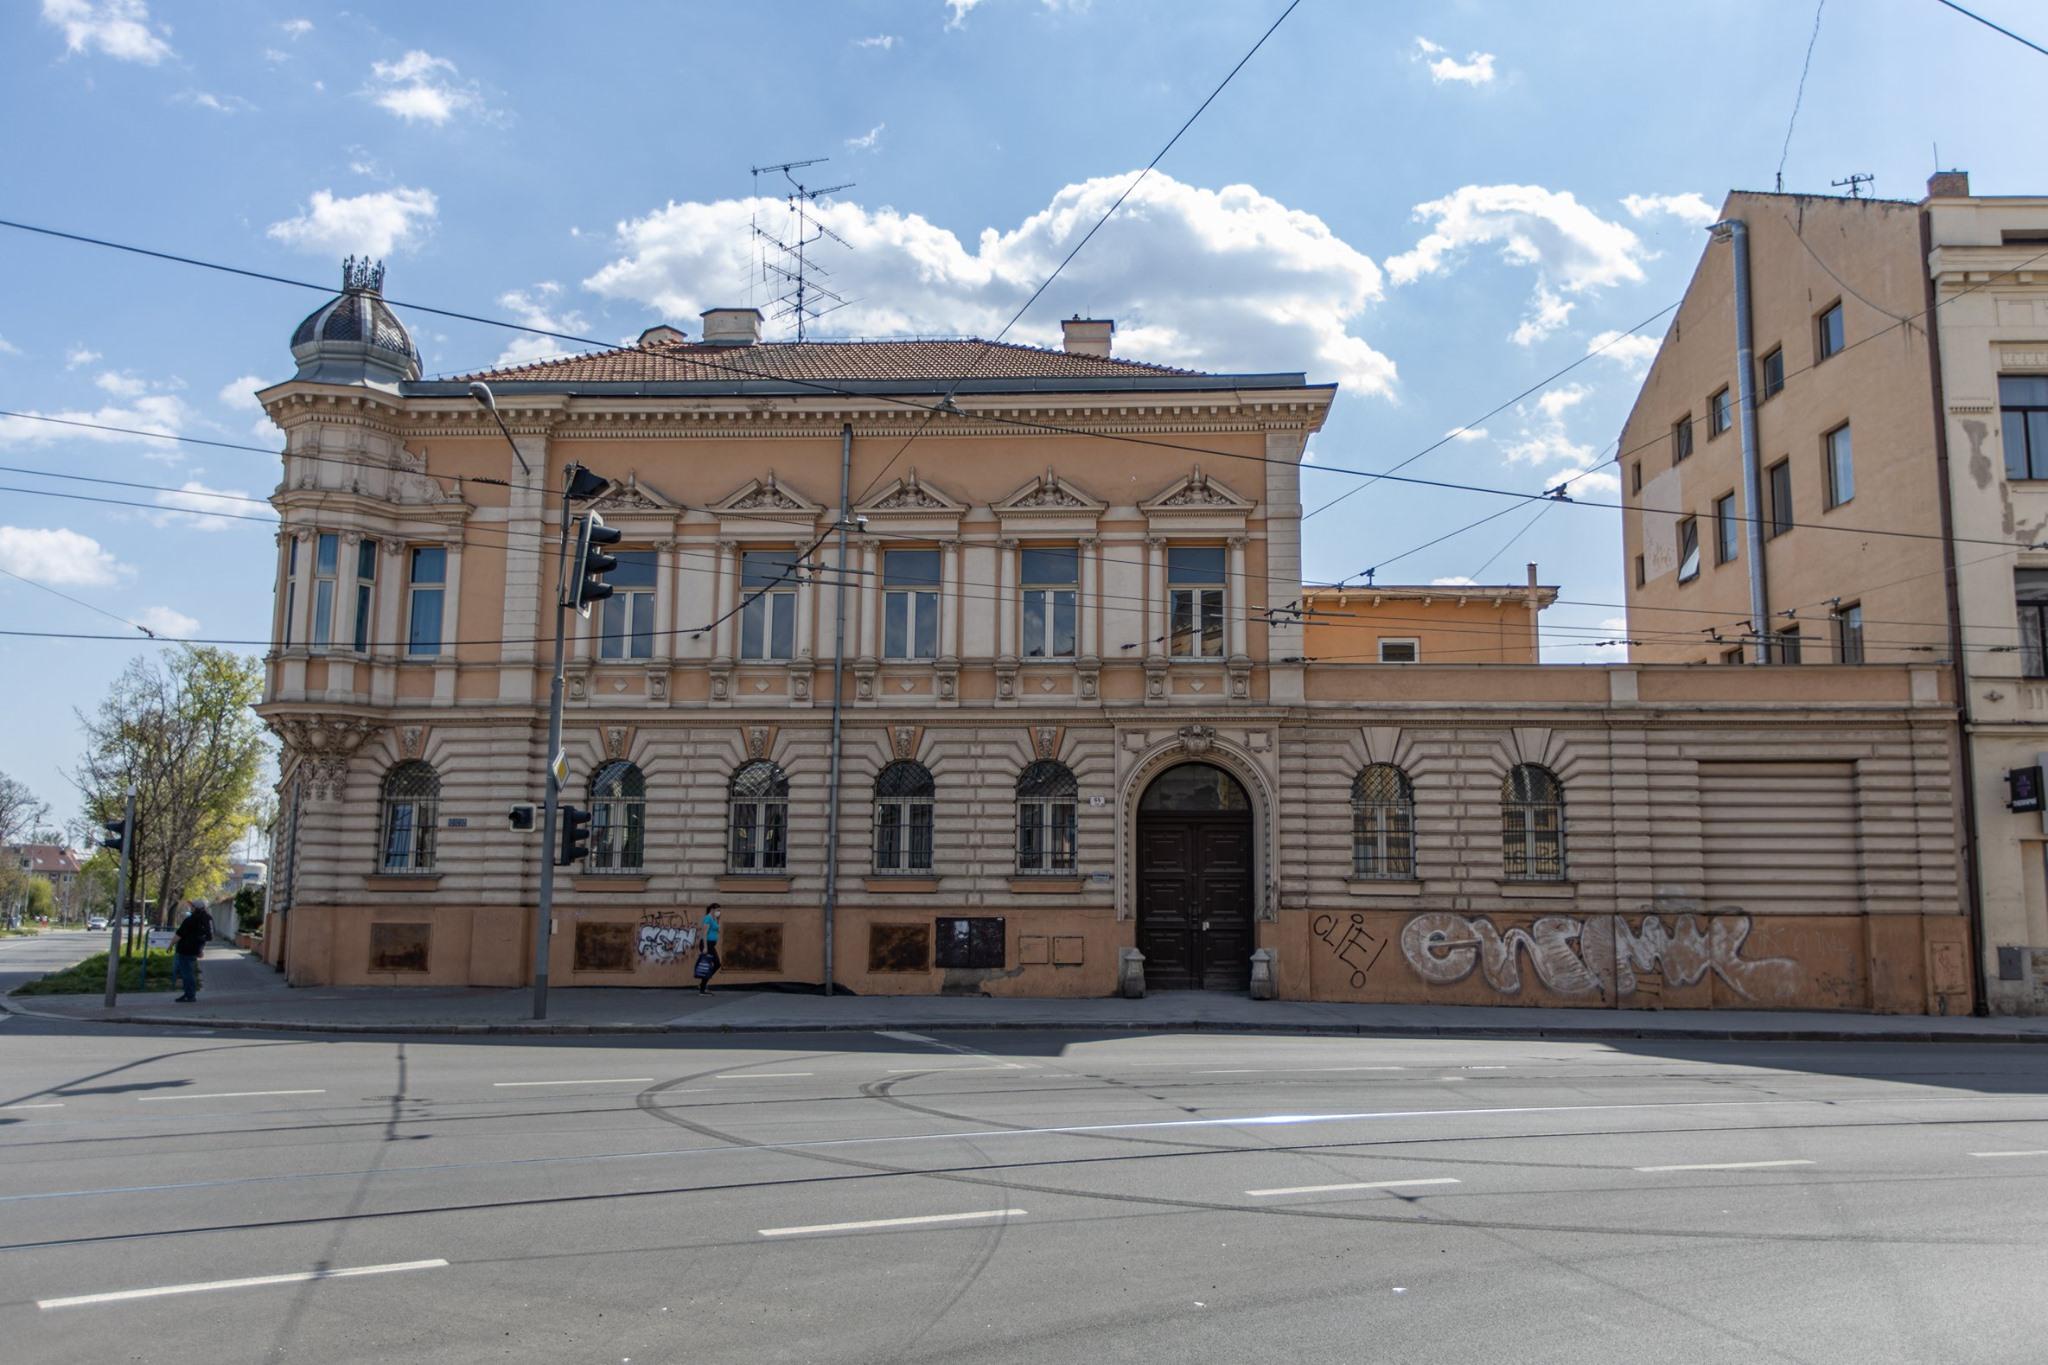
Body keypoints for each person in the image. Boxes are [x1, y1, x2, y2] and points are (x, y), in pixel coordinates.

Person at [171, 900, 213, 1003]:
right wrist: (200, 948)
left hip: (185, 949)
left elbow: (179, 935)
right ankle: (189, 994)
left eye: (192, 906)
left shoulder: (190, 920)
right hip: (194, 949)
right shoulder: (207, 919)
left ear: (195, 908)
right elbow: (209, 936)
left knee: (186, 973)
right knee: (189, 972)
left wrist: (170, 945)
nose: (191, 908)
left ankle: (189, 995)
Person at [694, 903, 722, 994]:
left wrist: (718, 919)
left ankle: (702, 985)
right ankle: (702, 989)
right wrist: (705, 947)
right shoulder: (708, 918)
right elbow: (704, 933)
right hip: (707, 944)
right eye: (717, 910)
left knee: (713, 964)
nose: (719, 912)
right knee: (715, 963)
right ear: (712, 910)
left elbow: (718, 930)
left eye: (719, 910)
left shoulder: (714, 919)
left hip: (711, 945)